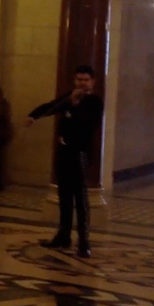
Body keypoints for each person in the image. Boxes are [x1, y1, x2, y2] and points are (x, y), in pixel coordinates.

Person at [24, 64, 103, 258]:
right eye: (79, 79)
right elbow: (52, 106)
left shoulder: (94, 102)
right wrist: (34, 116)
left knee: (81, 199)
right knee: (64, 196)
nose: (82, 83)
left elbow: (86, 125)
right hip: (64, 154)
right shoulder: (69, 98)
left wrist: (74, 106)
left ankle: (84, 241)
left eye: (85, 80)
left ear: (92, 82)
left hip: (80, 154)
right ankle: (63, 235)